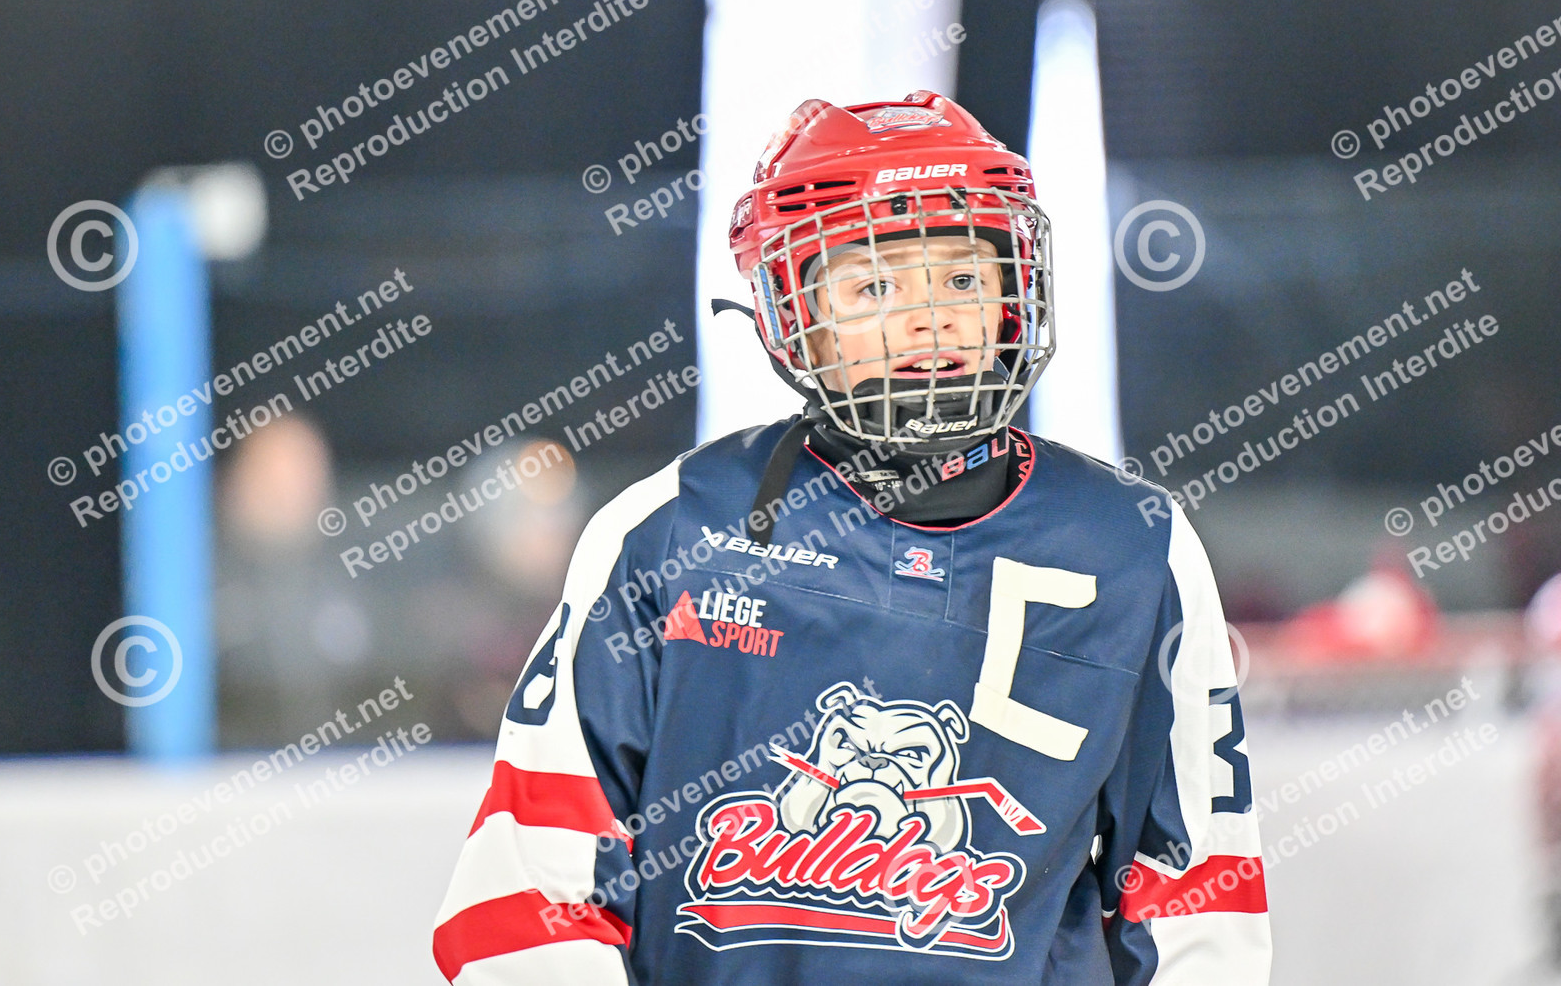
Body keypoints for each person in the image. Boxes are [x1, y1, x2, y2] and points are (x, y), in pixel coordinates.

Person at [432, 91, 1272, 984]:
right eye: (875, 285)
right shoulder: (669, 532)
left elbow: (1197, 906)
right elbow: (527, 897)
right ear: (789, 309)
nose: (931, 317)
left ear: (1012, 294)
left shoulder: (1135, 547)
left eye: (963, 278)